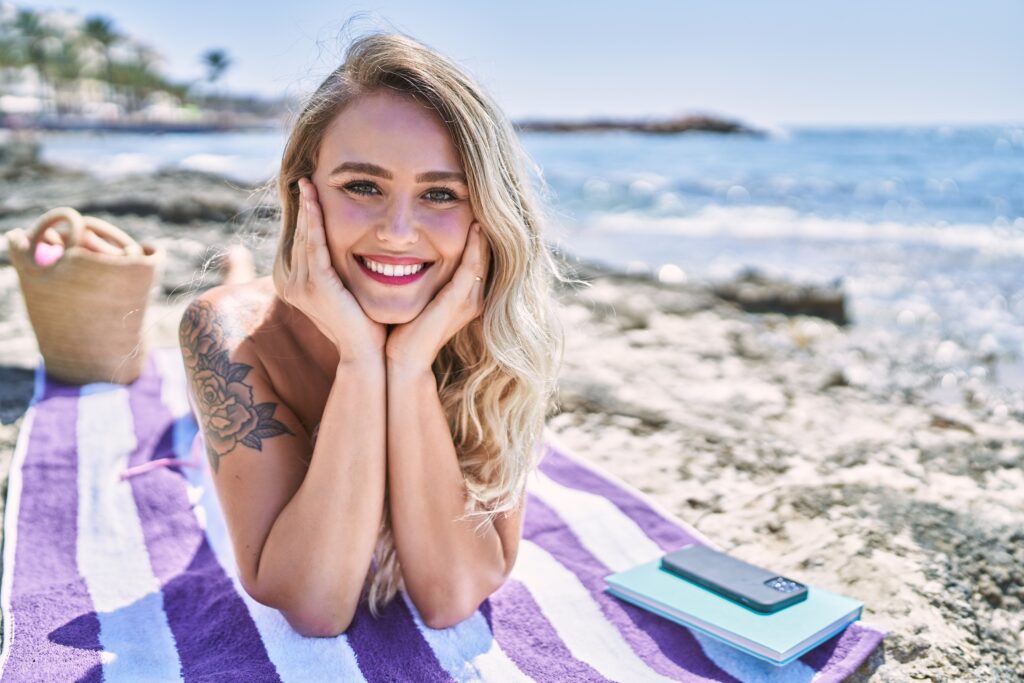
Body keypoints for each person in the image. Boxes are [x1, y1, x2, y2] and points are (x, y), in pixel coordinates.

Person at [178, 31, 561, 637]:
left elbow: (452, 598)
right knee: (232, 296)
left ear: (487, 212)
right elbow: (314, 607)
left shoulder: (499, 336)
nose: (400, 232)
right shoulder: (227, 331)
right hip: (261, 321)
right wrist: (360, 361)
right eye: (363, 186)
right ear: (303, 195)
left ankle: (240, 261)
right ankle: (238, 266)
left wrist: (407, 367)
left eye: (441, 193)